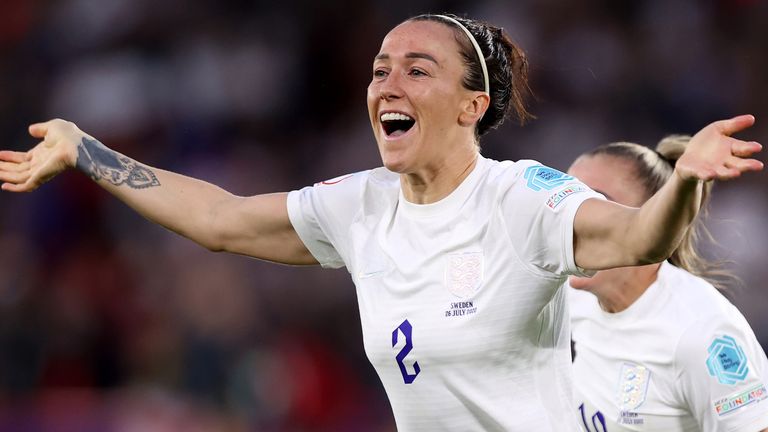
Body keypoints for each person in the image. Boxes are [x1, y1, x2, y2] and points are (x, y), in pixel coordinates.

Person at [0, 13, 762, 431]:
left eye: (416, 68)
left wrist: (685, 183)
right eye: (379, 68)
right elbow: (222, 219)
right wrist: (88, 151)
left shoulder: (523, 199)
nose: (386, 83)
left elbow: (636, 240)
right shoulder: (360, 205)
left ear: (472, 107)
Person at [568, 136, 768, 432]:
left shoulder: (701, 334)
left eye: (596, 204)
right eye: (567, 203)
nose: (574, 222)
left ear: (653, 222)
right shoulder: (566, 299)